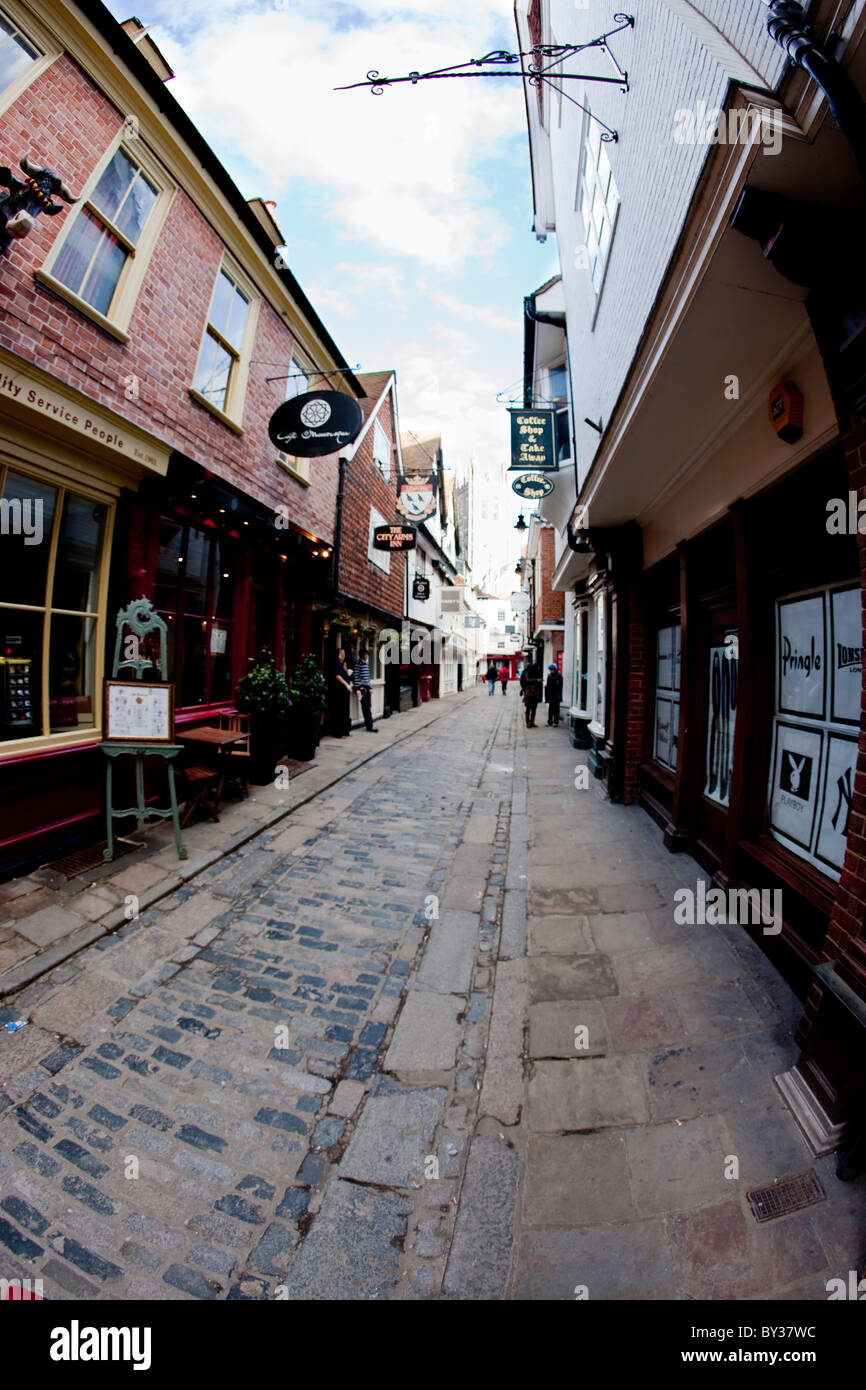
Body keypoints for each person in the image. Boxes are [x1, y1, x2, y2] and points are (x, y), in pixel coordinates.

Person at [353, 646, 378, 733]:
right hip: (362, 688)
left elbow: (368, 677)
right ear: (361, 655)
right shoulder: (358, 664)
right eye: (365, 654)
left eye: (367, 654)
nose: (367, 656)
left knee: (368, 706)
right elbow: (356, 676)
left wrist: (370, 687)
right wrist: (357, 689)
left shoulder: (366, 663)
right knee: (366, 707)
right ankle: (369, 726)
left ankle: (369, 725)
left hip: (367, 688)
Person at [331, 647, 353, 738]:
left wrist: (345, 668)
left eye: (344, 654)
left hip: (344, 692)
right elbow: (337, 676)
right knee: (339, 712)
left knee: (345, 711)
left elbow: (344, 675)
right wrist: (347, 685)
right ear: (338, 654)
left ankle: (345, 731)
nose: (343, 656)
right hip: (339, 692)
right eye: (341, 654)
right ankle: (338, 733)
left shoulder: (341, 664)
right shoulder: (336, 663)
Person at [520, 659, 543, 728]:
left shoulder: (535, 671)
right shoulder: (528, 671)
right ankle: (528, 723)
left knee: (534, 708)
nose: (539, 669)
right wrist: (536, 680)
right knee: (528, 708)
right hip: (529, 692)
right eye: (538, 667)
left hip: (535, 693)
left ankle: (532, 722)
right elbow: (526, 680)